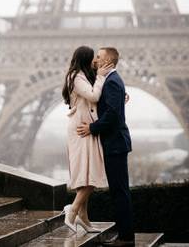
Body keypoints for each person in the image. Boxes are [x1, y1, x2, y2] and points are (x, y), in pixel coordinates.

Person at [77, 47, 135, 246]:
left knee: (119, 192)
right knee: (120, 192)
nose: (95, 60)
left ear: (108, 61)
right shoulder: (112, 80)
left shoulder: (111, 82)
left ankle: (126, 237)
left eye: (99, 57)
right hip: (116, 142)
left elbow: (112, 115)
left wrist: (92, 128)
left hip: (115, 144)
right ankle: (124, 234)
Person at [60, 45, 113, 233]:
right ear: (85, 59)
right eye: (93, 58)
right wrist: (101, 76)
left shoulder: (82, 75)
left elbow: (95, 100)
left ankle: (84, 217)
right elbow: (93, 94)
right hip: (81, 130)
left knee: (87, 173)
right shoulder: (75, 77)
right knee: (89, 175)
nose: (95, 61)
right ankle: (72, 211)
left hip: (86, 128)